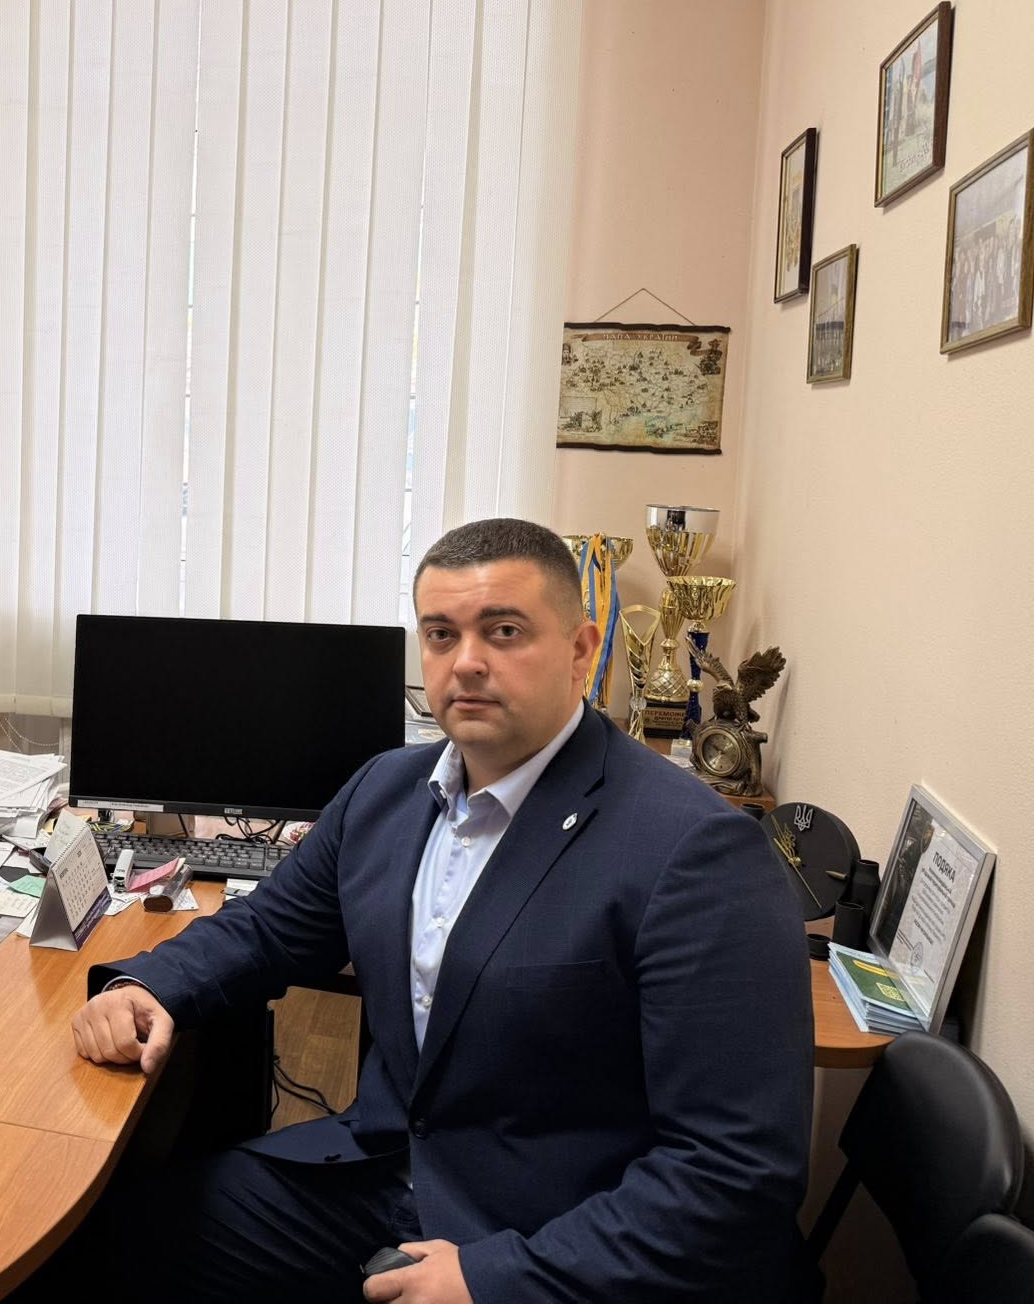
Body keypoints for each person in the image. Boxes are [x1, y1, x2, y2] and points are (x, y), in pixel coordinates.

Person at [68, 517, 813, 1303]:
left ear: (581, 651)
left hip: (556, 1234)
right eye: (441, 634)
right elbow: (269, 928)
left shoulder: (696, 852)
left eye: (504, 631)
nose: (467, 662)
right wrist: (147, 986)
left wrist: (496, 1280)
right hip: (382, 1175)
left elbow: (734, 1171)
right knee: (105, 1244)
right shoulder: (386, 790)